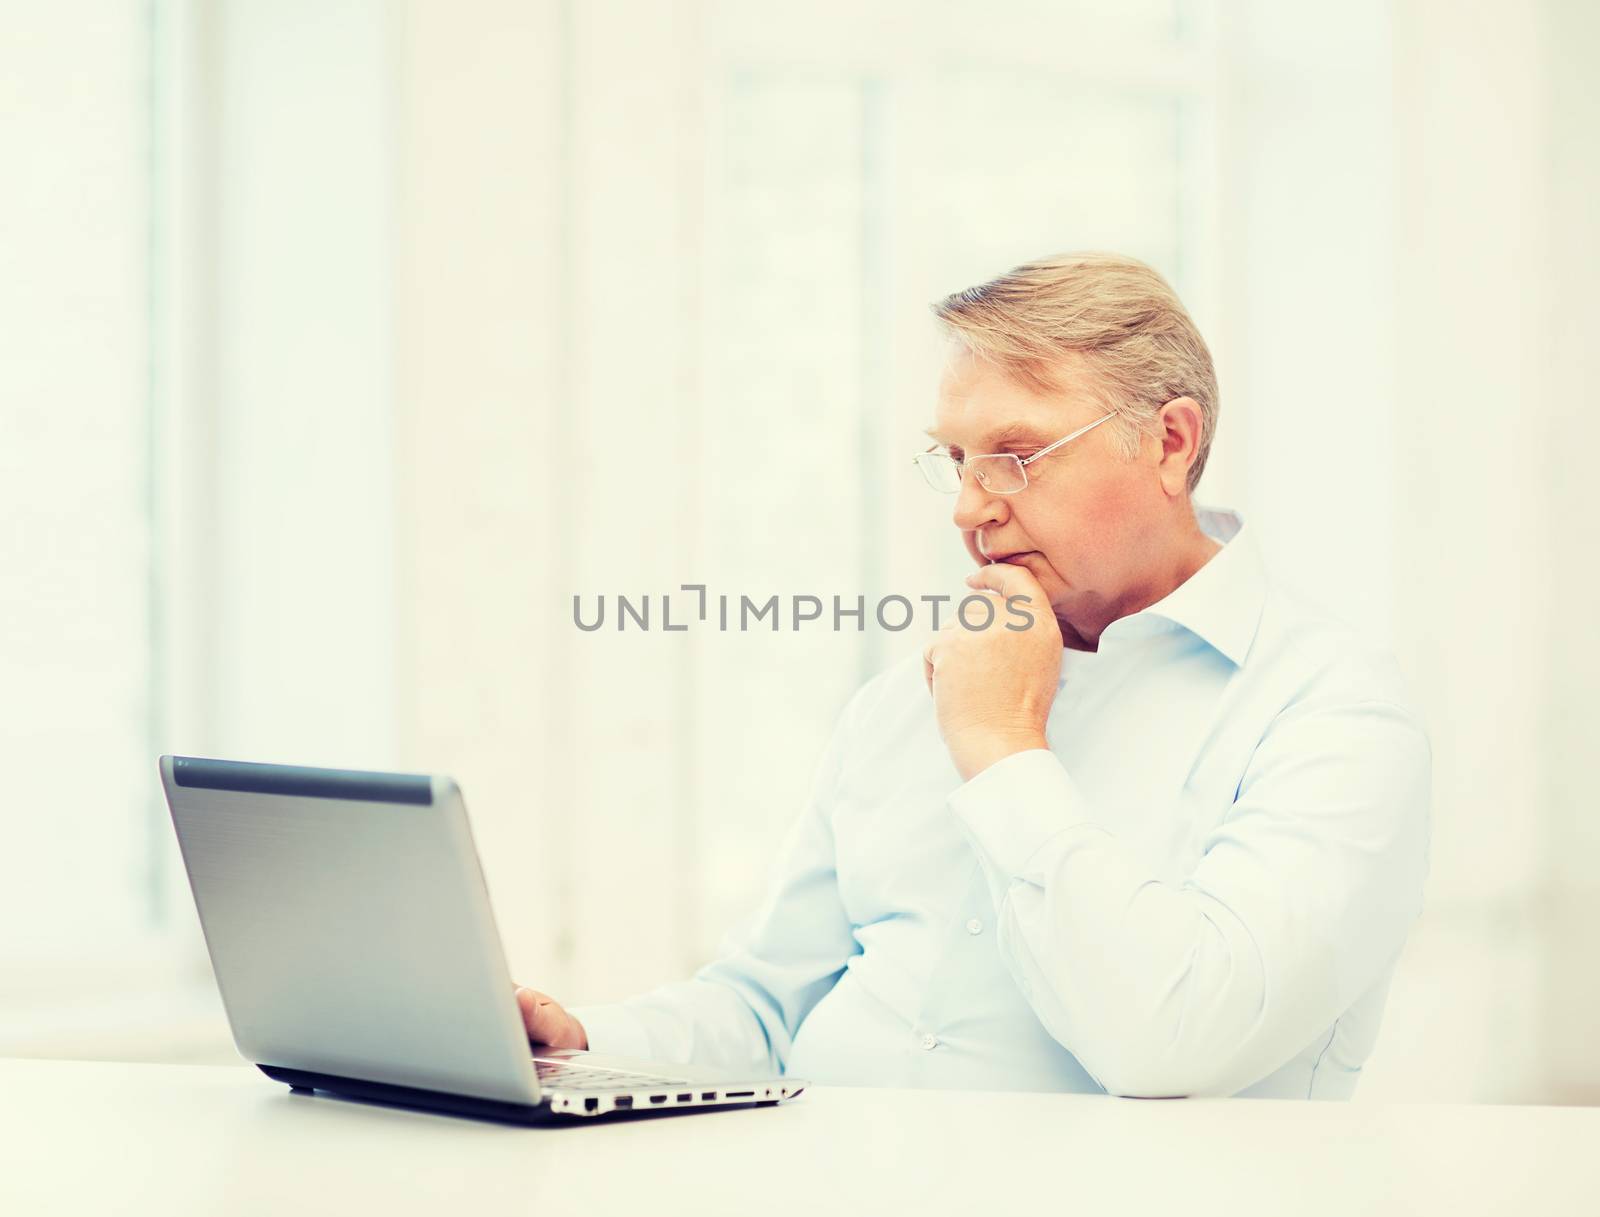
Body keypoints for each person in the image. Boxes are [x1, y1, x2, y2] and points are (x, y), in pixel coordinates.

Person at [515, 252, 1431, 1099]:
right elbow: (765, 1007)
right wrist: (580, 1038)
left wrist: (1002, 747)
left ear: (1169, 443)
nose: (968, 507)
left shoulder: (1332, 712)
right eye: (956, 459)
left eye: (1016, 456)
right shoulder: (906, 698)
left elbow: (1174, 1042)